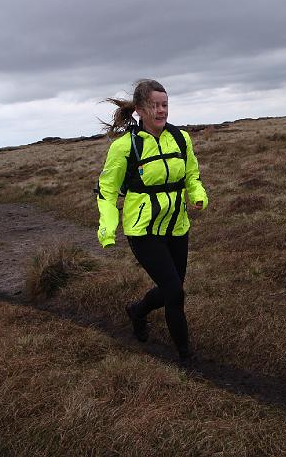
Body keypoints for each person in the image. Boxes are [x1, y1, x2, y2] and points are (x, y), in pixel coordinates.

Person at [96, 79, 208, 361]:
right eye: (155, 106)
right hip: (143, 229)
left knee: (173, 289)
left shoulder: (181, 138)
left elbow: (191, 175)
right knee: (174, 292)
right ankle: (186, 357)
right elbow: (107, 190)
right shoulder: (125, 147)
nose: (161, 111)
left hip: (176, 225)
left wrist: (198, 194)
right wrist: (108, 227)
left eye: (165, 105)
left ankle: (137, 311)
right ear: (141, 110)